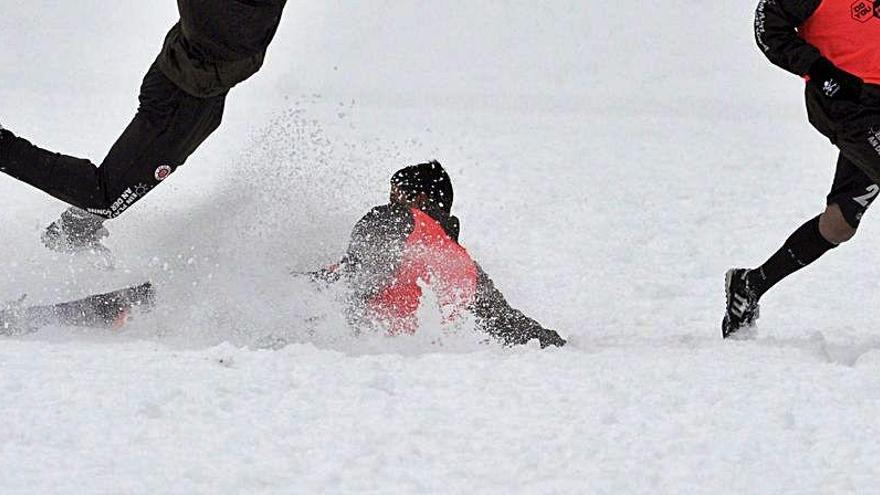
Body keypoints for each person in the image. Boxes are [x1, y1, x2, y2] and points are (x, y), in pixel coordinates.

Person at [0, 0, 288, 255]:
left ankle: (69, 234)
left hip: (201, 91)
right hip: (180, 95)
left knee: (137, 173)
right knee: (105, 197)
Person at [723, 0, 880, 338]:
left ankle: (750, 285)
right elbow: (768, 25)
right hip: (847, 106)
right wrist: (821, 72)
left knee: (839, 224)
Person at [313, 161, 566, 348]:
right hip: (414, 357)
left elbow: (352, 278)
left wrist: (296, 288)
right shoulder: (461, 263)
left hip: (360, 351)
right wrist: (554, 342)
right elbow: (505, 324)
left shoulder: (396, 217)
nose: (390, 203)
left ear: (420, 198)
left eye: (395, 196)